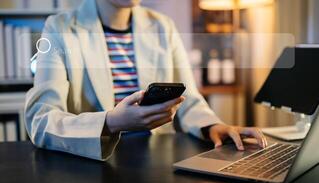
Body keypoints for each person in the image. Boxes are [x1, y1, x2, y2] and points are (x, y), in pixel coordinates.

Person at [24, 0, 267, 161]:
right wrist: (110, 122)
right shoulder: (58, 28)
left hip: (159, 160)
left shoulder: (163, 26)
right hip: (90, 165)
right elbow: (41, 120)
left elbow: (189, 100)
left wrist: (212, 126)